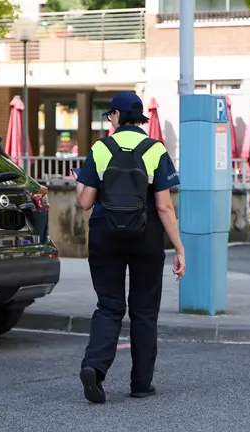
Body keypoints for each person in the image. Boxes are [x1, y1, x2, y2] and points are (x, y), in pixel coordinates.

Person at [72, 91, 185, 404]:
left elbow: (84, 202)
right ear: (141, 120)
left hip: (105, 237)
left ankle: (94, 367)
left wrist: (80, 181)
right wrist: (179, 248)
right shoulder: (155, 149)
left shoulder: (100, 149)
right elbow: (164, 207)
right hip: (146, 239)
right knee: (144, 311)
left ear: (116, 116)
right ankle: (141, 383)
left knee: (109, 306)